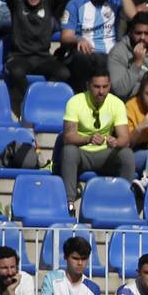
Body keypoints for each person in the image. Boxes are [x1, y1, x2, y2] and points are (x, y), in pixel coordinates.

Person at [58, 71, 134, 210]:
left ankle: (124, 202)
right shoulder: (75, 102)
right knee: (69, 151)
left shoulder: (117, 103)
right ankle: (69, 203)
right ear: (88, 86)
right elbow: (68, 137)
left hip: (105, 154)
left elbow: (125, 138)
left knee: (126, 153)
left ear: (110, 86)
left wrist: (116, 142)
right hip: (82, 153)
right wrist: (88, 139)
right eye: (97, 87)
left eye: (105, 87)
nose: (101, 91)